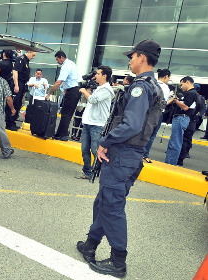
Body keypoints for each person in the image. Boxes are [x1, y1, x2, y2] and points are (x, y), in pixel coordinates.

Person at [77, 39, 164, 278]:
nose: (129, 60)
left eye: (132, 56)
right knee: (104, 202)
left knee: (111, 205)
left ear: (142, 58)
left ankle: (118, 262)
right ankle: (90, 245)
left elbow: (131, 125)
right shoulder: (151, 85)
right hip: (128, 155)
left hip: (123, 154)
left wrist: (105, 142)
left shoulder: (141, 87)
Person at [75, 65, 114, 180]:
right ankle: (87, 172)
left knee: (95, 150)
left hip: (98, 125)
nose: (95, 75)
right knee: (84, 149)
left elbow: (93, 100)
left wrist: (83, 91)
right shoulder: (98, 88)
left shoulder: (107, 90)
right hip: (88, 122)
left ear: (104, 76)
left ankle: (101, 172)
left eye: (98, 73)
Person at [45, 50, 80, 141]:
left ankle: (62, 135)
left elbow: (58, 82)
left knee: (66, 114)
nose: (57, 62)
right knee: (66, 113)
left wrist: (49, 93)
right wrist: (65, 89)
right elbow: (68, 79)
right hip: (74, 90)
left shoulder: (65, 66)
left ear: (62, 57)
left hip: (72, 91)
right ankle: (61, 133)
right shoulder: (71, 63)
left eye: (57, 59)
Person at [165, 76, 198, 166]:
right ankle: (170, 162)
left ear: (187, 82)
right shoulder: (189, 93)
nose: (181, 87)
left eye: (182, 84)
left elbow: (185, 107)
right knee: (174, 141)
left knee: (175, 142)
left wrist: (175, 100)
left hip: (181, 118)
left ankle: (170, 163)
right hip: (181, 118)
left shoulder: (191, 93)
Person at [142, 69, 172, 163]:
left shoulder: (152, 84)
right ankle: (145, 154)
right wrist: (172, 99)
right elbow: (164, 103)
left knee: (143, 132)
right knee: (152, 134)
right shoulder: (165, 88)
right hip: (157, 113)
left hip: (147, 112)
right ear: (166, 76)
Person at [5, 50, 36, 131]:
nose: (33, 58)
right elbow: (15, 72)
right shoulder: (21, 59)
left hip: (22, 84)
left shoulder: (26, 61)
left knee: (18, 104)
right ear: (29, 52)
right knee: (14, 104)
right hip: (18, 83)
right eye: (32, 55)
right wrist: (16, 85)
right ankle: (9, 123)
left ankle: (13, 122)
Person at [177, 82, 204, 166]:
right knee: (187, 138)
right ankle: (183, 155)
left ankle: (181, 157)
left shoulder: (193, 96)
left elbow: (201, 109)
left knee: (183, 138)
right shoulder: (199, 97)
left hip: (189, 119)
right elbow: (202, 110)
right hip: (192, 120)